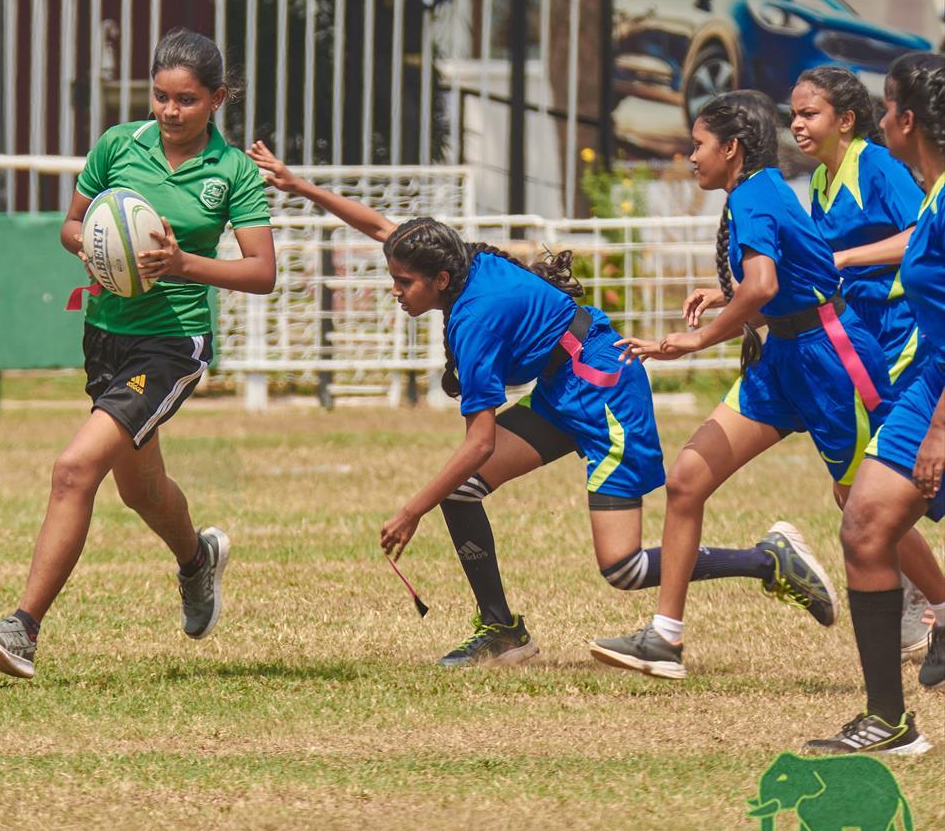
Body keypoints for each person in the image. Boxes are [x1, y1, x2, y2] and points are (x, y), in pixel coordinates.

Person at [248, 141, 833, 671]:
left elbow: (478, 443)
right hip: (565, 385)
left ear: (439, 278)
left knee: (622, 568)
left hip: (605, 392)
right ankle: (503, 631)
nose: (395, 291)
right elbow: (382, 226)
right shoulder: (454, 263)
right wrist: (299, 186)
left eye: (403, 283)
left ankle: (766, 560)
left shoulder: (474, 320)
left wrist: (410, 510)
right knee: (464, 489)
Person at [0, 29, 276, 680]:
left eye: (186, 99)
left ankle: (22, 629)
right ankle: (197, 560)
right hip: (106, 332)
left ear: (217, 99)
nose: (169, 111)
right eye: (160, 96)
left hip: (171, 343)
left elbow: (262, 271)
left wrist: (182, 263)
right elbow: (72, 226)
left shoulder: (233, 173)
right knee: (142, 489)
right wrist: (104, 247)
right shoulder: (116, 146)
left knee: (75, 470)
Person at [596, 90, 907, 680]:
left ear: (731, 148)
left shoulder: (756, 197)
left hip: (832, 360)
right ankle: (665, 639)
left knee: (865, 506)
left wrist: (695, 339)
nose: (691, 158)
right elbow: (780, 280)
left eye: (698, 146)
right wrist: (725, 296)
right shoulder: (754, 192)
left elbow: (762, 284)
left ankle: (940, 610)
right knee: (687, 478)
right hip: (784, 358)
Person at [806, 52, 945, 756]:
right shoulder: (936, 192)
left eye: (887, 107)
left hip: (939, 394)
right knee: (863, 525)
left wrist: (940, 431)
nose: (880, 118)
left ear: (906, 119)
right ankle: (888, 722)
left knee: (863, 522)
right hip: (928, 380)